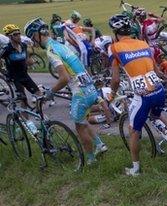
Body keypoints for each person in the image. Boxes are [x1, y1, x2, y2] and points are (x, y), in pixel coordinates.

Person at [24, 18, 108, 165]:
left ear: (38, 35)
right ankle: (100, 145)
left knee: (79, 126)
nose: (34, 43)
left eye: (33, 38)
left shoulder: (51, 51)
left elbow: (64, 78)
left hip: (81, 92)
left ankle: (90, 159)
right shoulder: (60, 44)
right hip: (89, 87)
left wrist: (50, 92)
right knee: (82, 119)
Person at [107, 14, 167, 176]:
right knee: (157, 116)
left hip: (143, 96)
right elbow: (156, 70)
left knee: (133, 131)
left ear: (115, 32)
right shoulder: (143, 44)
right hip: (159, 89)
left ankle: (135, 169)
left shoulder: (115, 48)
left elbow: (115, 79)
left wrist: (112, 94)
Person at [1, 24, 42, 111]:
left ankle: (40, 117)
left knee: (39, 95)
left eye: (19, 33)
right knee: (23, 100)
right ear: (9, 37)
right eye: (15, 34)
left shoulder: (23, 46)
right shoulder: (7, 49)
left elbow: (27, 60)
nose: (18, 36)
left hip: (25, 75)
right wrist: (4, 72)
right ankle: (26, 122)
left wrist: (33, 62)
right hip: (14, 78)